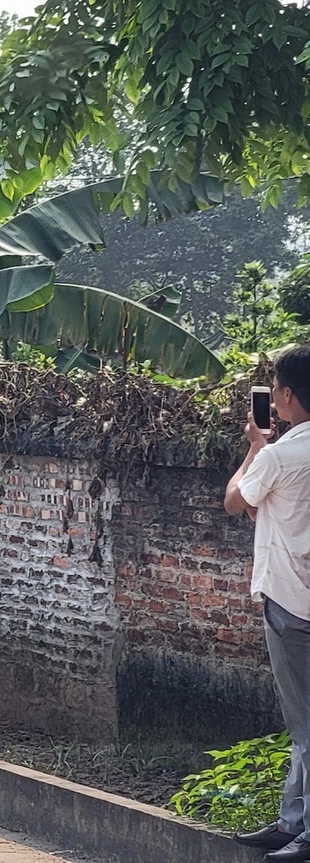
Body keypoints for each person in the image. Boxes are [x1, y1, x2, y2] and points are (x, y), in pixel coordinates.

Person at [226, 347, 310, 862]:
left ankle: (304, 830)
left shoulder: (282, 455)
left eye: (276, 388)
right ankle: (293, 820)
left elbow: (236, 501)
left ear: (286, 395)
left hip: (291, 601)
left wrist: (255, 449)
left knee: (304, 724)